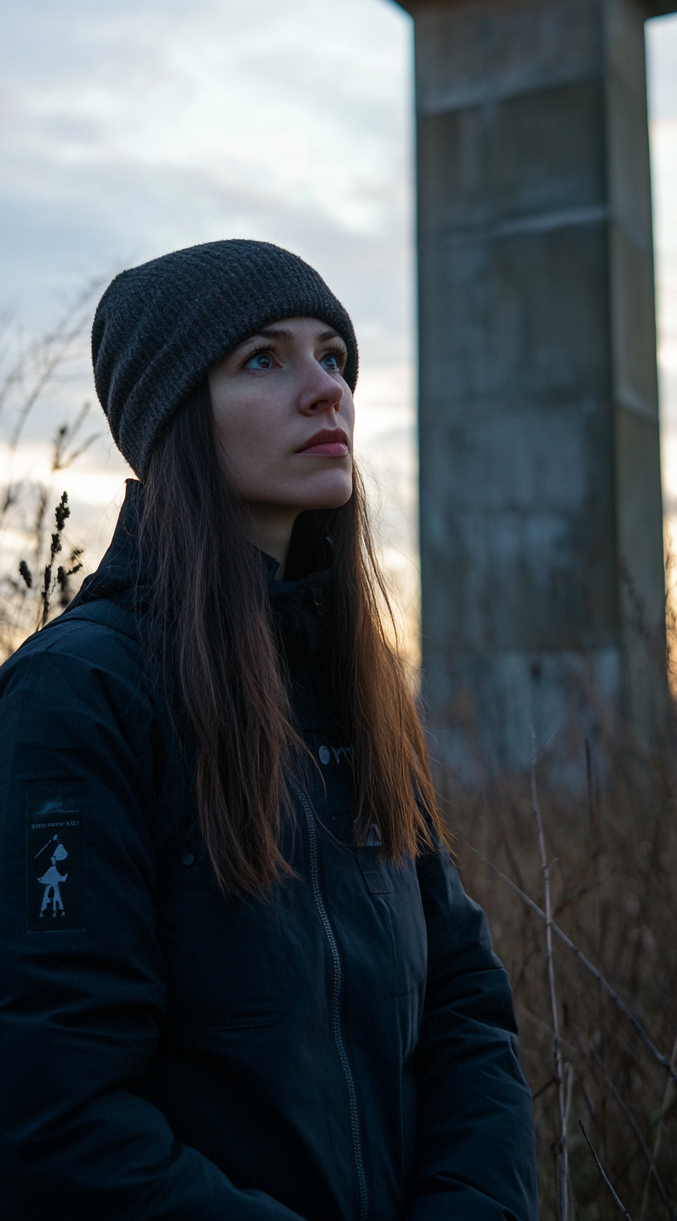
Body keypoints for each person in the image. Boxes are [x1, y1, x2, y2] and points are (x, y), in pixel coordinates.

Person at [0, 239, 538, 1221]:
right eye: (263, 358)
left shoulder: (356, 694)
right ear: (172, 414)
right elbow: (52, 1113)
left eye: (332, 354)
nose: (324, 387)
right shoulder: (77, 696)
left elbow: (465, 1017)